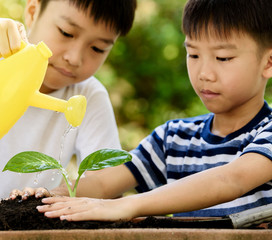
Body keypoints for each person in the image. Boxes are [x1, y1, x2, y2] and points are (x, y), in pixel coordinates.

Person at [21, 0, 272, 221]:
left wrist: (127, 205)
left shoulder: (267, 133)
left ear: (268, 62)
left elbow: (232, 179)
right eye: (193, 54)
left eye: (223, 58)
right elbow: (105, 182)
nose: (204, 74)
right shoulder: (173, 139)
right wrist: (51, 195)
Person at [0, 0, 136, 219]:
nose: (74, 58)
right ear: (32, 11)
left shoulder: (88, 96)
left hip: (20, 227)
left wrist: (53, 196)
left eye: (97, 48)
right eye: (66, 33)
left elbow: (107, 183)